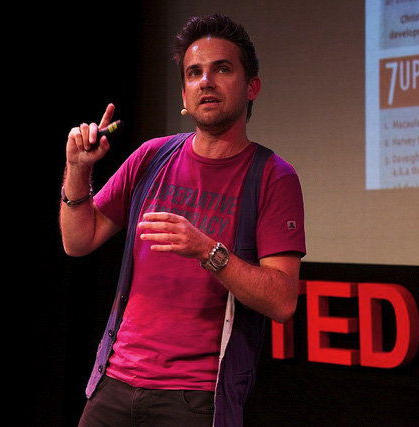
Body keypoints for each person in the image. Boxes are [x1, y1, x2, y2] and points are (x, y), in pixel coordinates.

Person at [60, 13, 306, 427]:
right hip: (115, 383)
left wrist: (208, 251)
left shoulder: (273, 176)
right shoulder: (152, 157)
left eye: (222, 69)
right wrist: (77, 169)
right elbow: (77, 241)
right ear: (184, 94)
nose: (206, 81)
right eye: (194, 73)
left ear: (252, 87)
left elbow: (282, 301)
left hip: (195, 398)